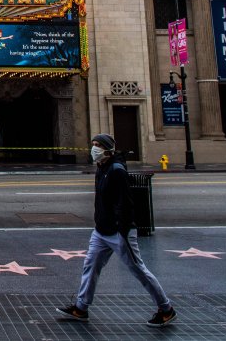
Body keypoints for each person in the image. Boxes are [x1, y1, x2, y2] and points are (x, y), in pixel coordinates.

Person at [56, 134, 178, 328]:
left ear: (108, 149)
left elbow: (126, 204)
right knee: (91, 266)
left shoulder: (117, 170)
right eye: (93, 145)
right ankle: (81, 308)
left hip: (119, 232)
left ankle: (166, 309)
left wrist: (122, 231)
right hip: (101, 231)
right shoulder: (101, 168)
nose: (94, 148)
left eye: (98, 145)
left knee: (138, 269)